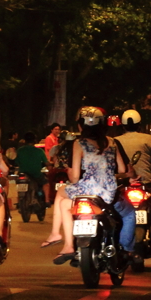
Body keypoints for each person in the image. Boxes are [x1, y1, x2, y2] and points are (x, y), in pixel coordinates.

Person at [42, 107, 128, 266]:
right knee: (66, 203)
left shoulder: (79, 143)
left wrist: (71, 172)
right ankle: (65, 243)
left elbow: (74, 178)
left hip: (88, 189)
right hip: (108, 192)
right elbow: (122, 170)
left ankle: (59, 237)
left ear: (81, 125)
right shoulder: (112, 142)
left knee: (61, 194)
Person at [115, 110, 151, 184]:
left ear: (123, 126)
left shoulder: (115, 140)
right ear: (139, 125)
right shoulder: (148, 139)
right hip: (145, 182)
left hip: (124, 183)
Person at [15, 131, 50, 204]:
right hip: (36, 174)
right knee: (46, 183)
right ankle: (47, 201)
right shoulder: (39, 151)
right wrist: (50, 166)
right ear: (35, 140)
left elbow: (16, 162)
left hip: (23, 173)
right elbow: (46, 163)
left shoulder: (20, 150)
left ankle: (19, 201)